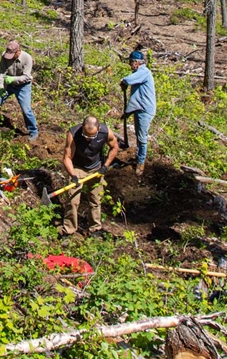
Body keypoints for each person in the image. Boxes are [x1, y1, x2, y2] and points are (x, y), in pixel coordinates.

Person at [59, 115, 119, 238]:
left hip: (96, 169)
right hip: (77, 168)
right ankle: (69, 230)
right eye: (86, 136)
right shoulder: (74, 133)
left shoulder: (105, 132)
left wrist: (105, 166)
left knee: (96, 199)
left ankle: (95, 228)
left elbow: (114, 148)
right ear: (82, 128)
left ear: (98, 129)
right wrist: (73, 175)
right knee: (72, 200)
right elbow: (67, 157)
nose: (88, 139)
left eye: (91, 137)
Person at [0, 40, 38, 138]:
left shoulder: (27, 58)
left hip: (23, 86)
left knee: (26, 109)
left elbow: (27, 77)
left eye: (12, 54)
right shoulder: (5, 56)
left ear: (18, 52)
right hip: (8, 84)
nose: (9, 57)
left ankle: (33, 131)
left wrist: (13, 79)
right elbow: (2, 72)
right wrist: (1, 87)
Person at [119, 49, 156, 177]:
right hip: (139, 108)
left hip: (145, 110)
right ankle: (139, 157)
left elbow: (128, 80)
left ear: (136, 62)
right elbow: (137, 96)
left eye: (131, 62)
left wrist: (123, 81)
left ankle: (140, 163)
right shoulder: (139, 73)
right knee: (139, 135)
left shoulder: (143, 72)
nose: (130, 65)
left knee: (141, 137)